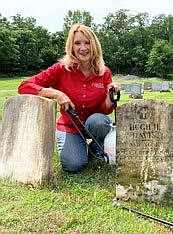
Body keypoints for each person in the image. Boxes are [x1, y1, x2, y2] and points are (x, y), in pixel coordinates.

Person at [18, 23, 121, 173]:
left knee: (99, 121)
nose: (83, 48)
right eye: (77, 43)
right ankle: (80, 148)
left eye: (87, 43)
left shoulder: (104, 72)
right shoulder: (61, 68)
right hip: (70, 125)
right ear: (71, 47)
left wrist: (110, 95)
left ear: (94, 46)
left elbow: (105, 110)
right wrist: (57, 94)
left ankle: (95, 148)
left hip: (93, 124)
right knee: (74, 165)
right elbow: (25, 86)